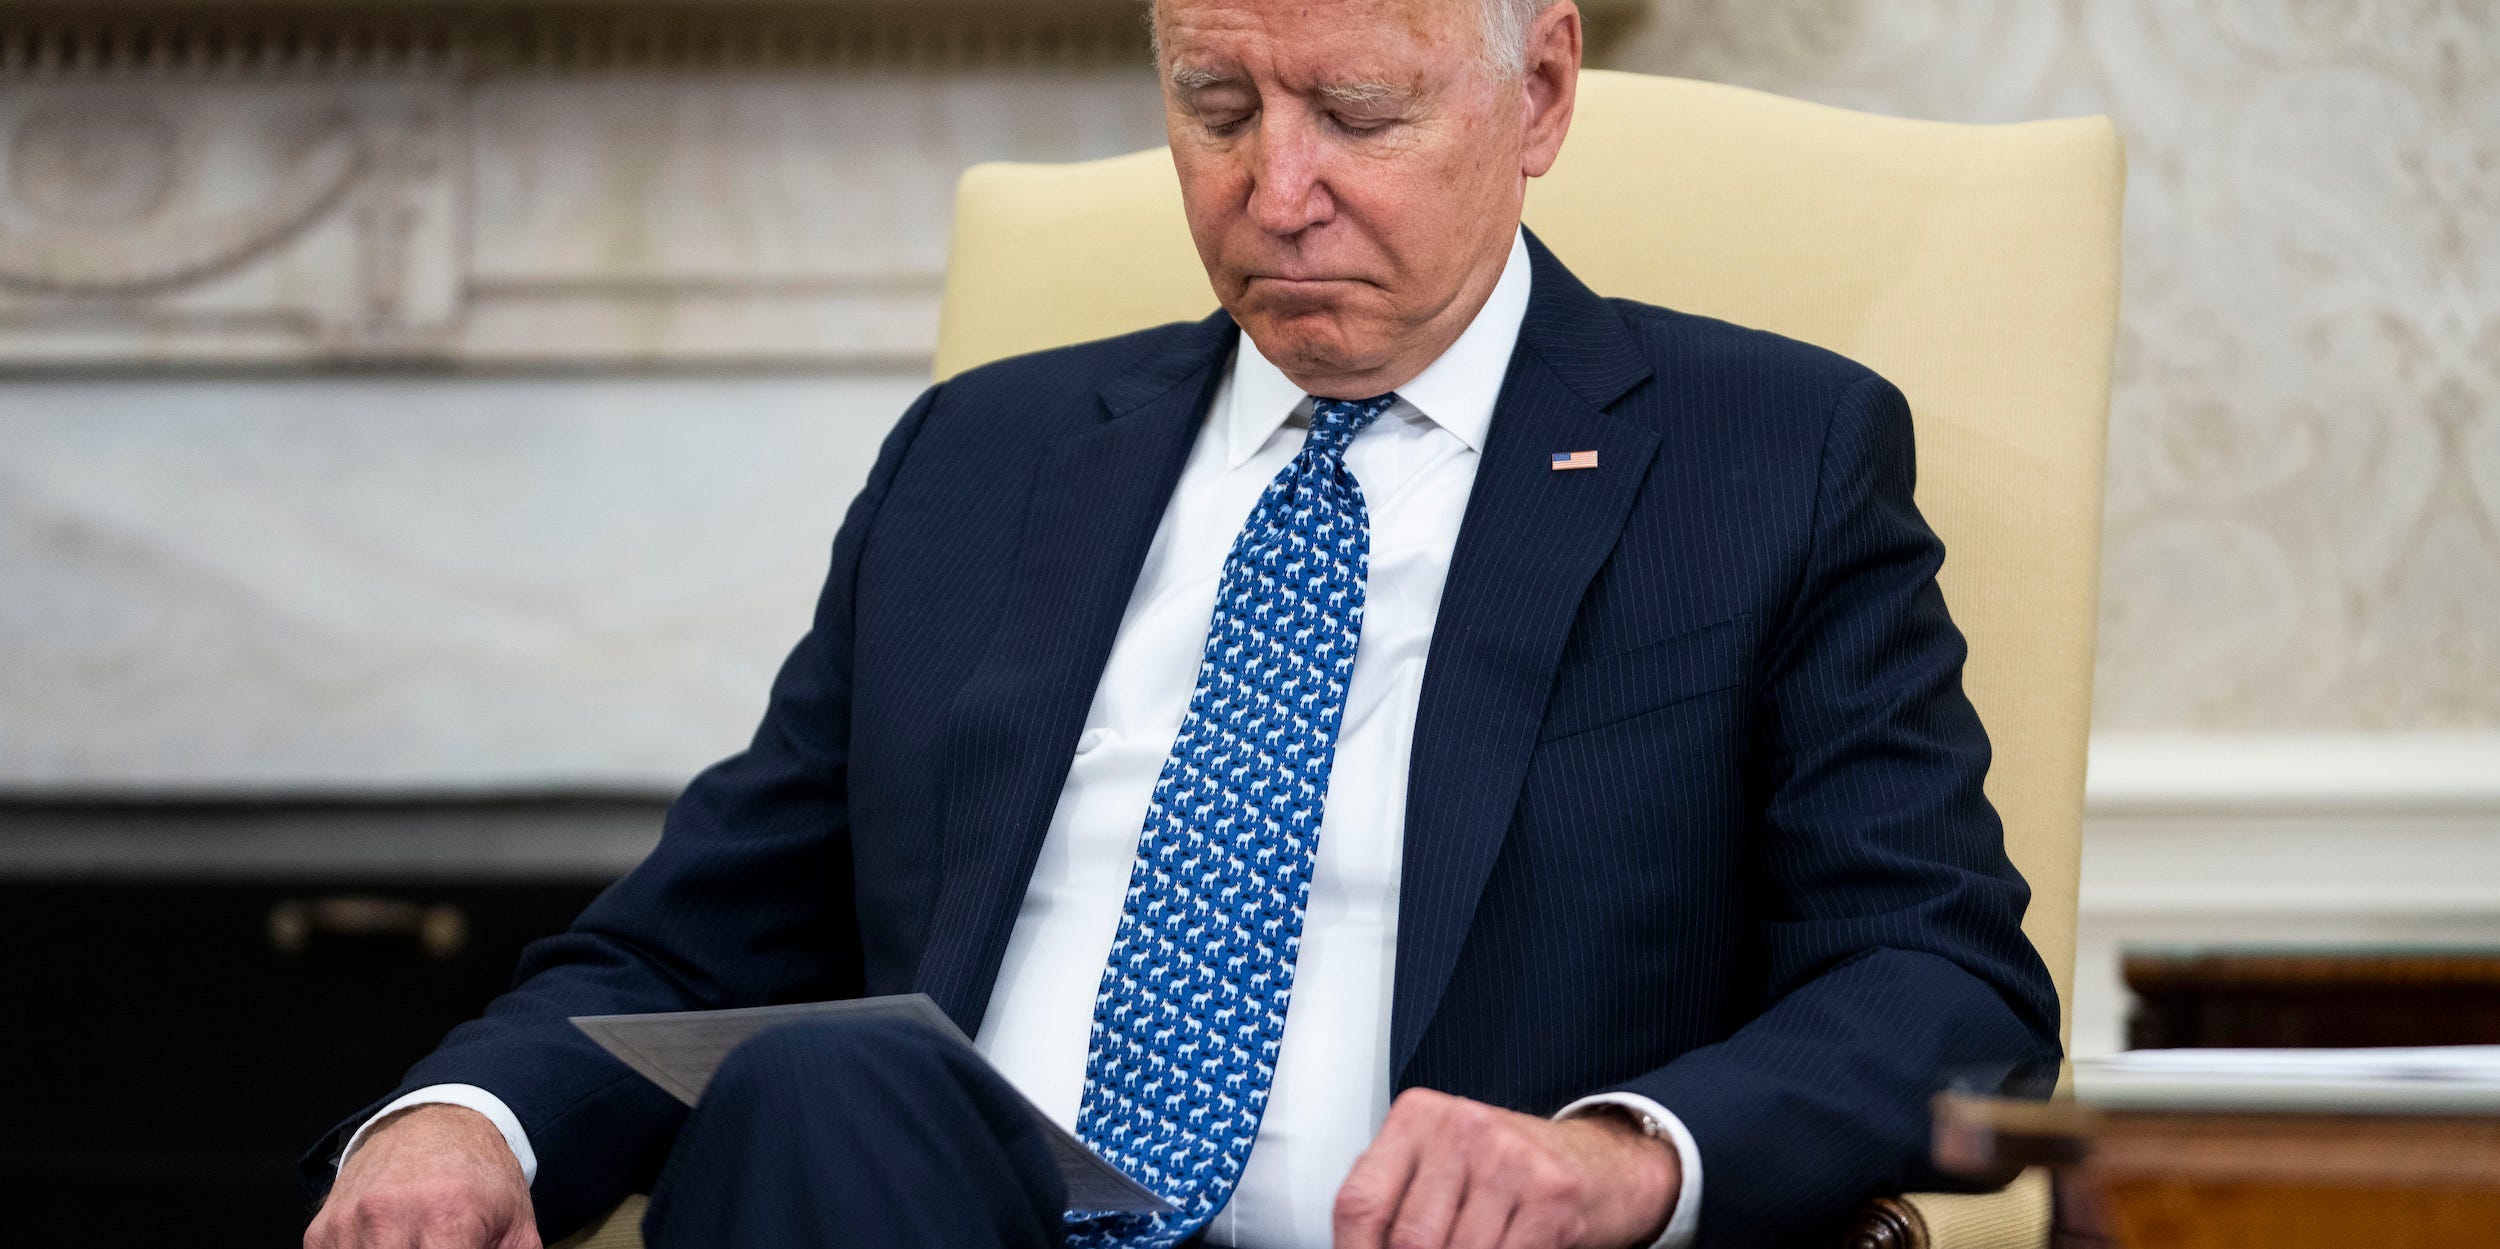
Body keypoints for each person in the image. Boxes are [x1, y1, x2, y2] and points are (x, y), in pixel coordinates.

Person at [302, 1, 2060, 1246]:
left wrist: (1620, 1157)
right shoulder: (980, 458)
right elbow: (690, 953)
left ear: (1538, 92)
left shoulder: (1771, 458)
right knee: (821, 1088)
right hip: (937, 1214)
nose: (1273, 190)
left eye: (1358, 117)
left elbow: (1949, 984)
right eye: (1217, 108)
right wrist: (466, 1121)